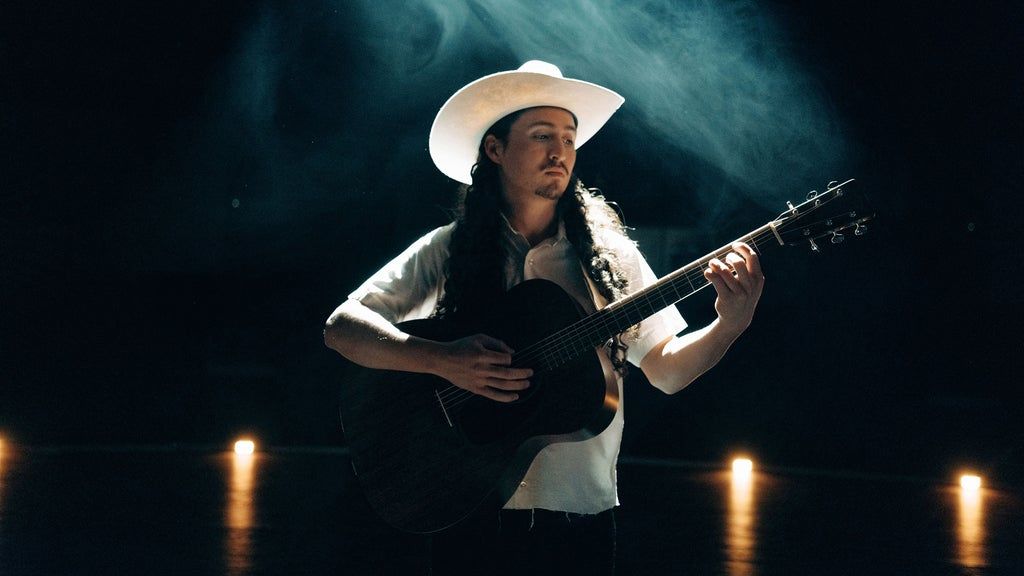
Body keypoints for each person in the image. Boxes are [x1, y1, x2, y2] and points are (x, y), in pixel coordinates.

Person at [323, 60, 764, 575]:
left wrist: (728, 326)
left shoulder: (610, 258)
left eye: (569, 139)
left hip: (577, 515)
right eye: (541, 136)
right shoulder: (448, 249)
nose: (560, 152)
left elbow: (666, 369)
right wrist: (441, 360)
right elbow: (342, 328)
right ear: (495, 150)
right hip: (468, 509)